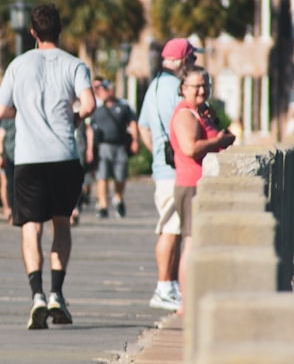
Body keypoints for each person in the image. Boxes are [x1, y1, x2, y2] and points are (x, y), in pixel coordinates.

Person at [0, 3, 95, 329]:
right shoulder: (75, 64)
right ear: (60, 30)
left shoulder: (17, 65)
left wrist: (21, 113)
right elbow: (89, 104)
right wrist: (75, 118)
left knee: (30, 227)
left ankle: (36, 294)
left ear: (33, 33)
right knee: (61, 224)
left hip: (28, 159)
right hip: (64, 156)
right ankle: (57, 293)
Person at [137, 38, 199, 311]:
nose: (195, 65)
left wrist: (158, 153)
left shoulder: (153, 87)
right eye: (193, 60)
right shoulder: (178, 89)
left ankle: (170, 285)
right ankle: (163, 287)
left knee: (171, 227)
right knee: (171, 229)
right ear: (183, 61)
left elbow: (143, 128)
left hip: (164, 168)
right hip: (176, 170)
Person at [169, 65, 236, 315]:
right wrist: (218, 142)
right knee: (192, 243)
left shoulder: (201, 111)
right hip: (191, 185)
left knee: (200, 243)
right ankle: (186, 303)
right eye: (196, 85)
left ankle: (197, 297)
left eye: (205, 85)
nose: (201, 90)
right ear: (183, 88)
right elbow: (190, 148)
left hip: (204, 184)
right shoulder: (185, 115)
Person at [87, 79, 139, 218]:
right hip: (103, 146)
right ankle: (103, 205)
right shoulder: (97, 109)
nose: (102, 93)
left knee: (120, 176)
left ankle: (118, 198)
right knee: (102, 177)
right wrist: (90, 149)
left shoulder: (123, 106)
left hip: (119, 146)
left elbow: (132, 123)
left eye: (104, 90)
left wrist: (134, 140)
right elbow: (90, 130)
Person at [0, 116, 16, 223]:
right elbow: (0, 137)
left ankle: (15, 212)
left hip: (19, 157)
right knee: (11, 185)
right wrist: (0, 155)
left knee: (12, 185)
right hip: (10, 157)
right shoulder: (7, 119)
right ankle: (12, 212)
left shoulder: (7, 118)